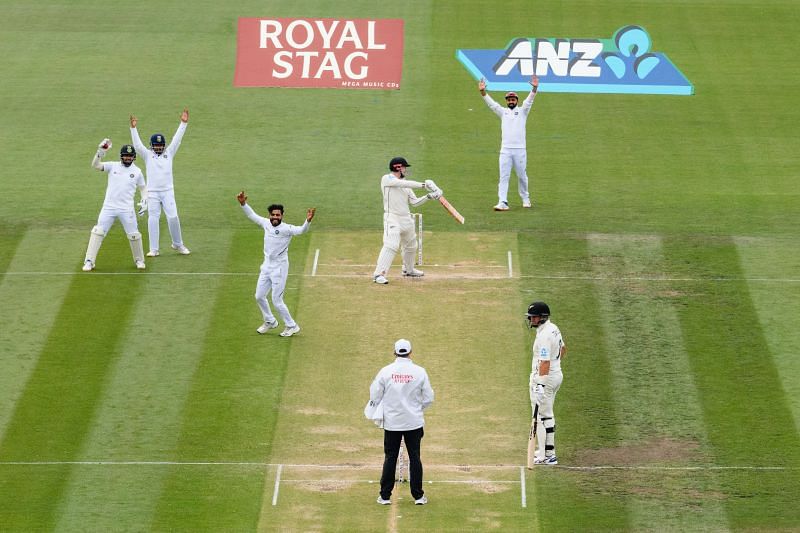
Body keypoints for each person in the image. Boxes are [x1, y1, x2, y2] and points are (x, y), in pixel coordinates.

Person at [236, 191, 315, 337]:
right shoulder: (266, 223)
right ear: (269, 215)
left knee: (277, 300)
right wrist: (243, 204)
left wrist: (308, 221)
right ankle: (270, 321)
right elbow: (252, 216)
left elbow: (301, 230)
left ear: (282, 216)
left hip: (279, 268)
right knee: (259, 296)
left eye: (278, 215)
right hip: (266, 266)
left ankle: (292, 326)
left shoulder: (286, 229)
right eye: (273, 215)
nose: (275, 217)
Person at [369, 339, 434, 506]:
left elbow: (375, 396)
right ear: (410, 352)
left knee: (390, 457)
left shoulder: (385, 371)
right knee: (415, 457)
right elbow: (428, 398)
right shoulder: (420, 372)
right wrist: (417, 410)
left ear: (394, 352)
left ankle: (384, 496)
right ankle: (418, 496)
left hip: (392, 422)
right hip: (414, 422)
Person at [130, 108, 190, 256]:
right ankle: (154, 249)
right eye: (156, 145)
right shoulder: (147, 155)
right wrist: (133, 128)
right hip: (152, 192)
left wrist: (183, 123)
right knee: (153, 218)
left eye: (160, 145)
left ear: (163, 145)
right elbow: (137, 146)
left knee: (173, 217)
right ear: (151, 145)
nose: (158, 147)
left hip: (168, 191)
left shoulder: (169, 153)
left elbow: (177, 139)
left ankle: (178, 244)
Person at [372, 157, 442, 284]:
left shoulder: (406, 185)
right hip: (392, 218)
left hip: (406, 218)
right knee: (391, 245)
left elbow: (414, 202)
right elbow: (402, 183)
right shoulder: (387, 179)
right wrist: (425, 185)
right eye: (404, 167)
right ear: (398, 167)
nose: (406, 170)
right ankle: (378, 275)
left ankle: (408, 270)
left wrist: (429, 196)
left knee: (411, 246)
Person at [82, 139, 148, 272]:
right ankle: (89, 261)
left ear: (134, 157)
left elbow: (143, 188)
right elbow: (96, 165)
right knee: (98, 232)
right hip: (109, 207)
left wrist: (145, 200)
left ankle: (139, 260)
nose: (127, 158)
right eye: (125, 155)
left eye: (130, 156)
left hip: (127, 209)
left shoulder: (137, 172)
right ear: (121, 156)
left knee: (134, 235)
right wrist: (100, 152)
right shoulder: (113, 166)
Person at [478, 74, 539, 211]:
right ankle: (503, 202)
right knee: (503, 176)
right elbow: (492, 105)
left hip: (520, 150)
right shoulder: (503, 112)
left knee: (522, 175)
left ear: (516, 100)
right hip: (505, 150)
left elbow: (529, 101)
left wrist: (534, 89)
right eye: (509, 99)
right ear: (506, 101)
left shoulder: (523, 111)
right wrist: (483, 92)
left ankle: (525, 199)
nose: (511, 101)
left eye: (513, 99)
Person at [526, 301, 566, 465]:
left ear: (542, 317)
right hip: (555, 376)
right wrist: (555, 367)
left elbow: (544, 363)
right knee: (547, 414)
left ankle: (543, 455)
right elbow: (563, 349)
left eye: (533, 317)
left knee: (541, 416)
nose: (530, 320)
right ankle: (549, 453)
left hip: (545, 379)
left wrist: (541, 384)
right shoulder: (553, 328)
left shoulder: (544, 335)